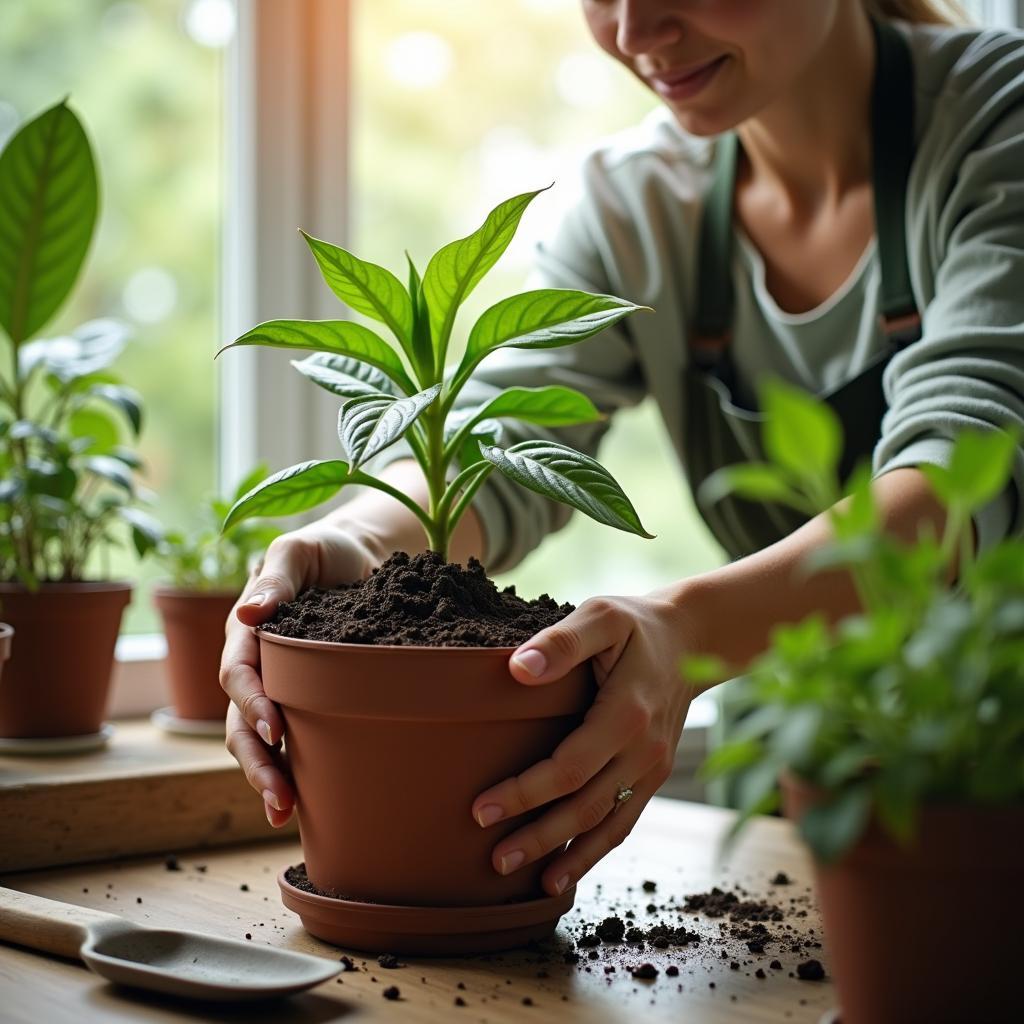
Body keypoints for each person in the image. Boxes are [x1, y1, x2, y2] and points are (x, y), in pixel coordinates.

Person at [220, 0, 1024, 899]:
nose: (637, 32)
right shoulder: (638, 201)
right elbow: (508, 441)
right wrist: (359, 546)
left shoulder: (999, 121)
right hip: (803, 766)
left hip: (993, 756)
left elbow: (968, 468)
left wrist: (686, 628)